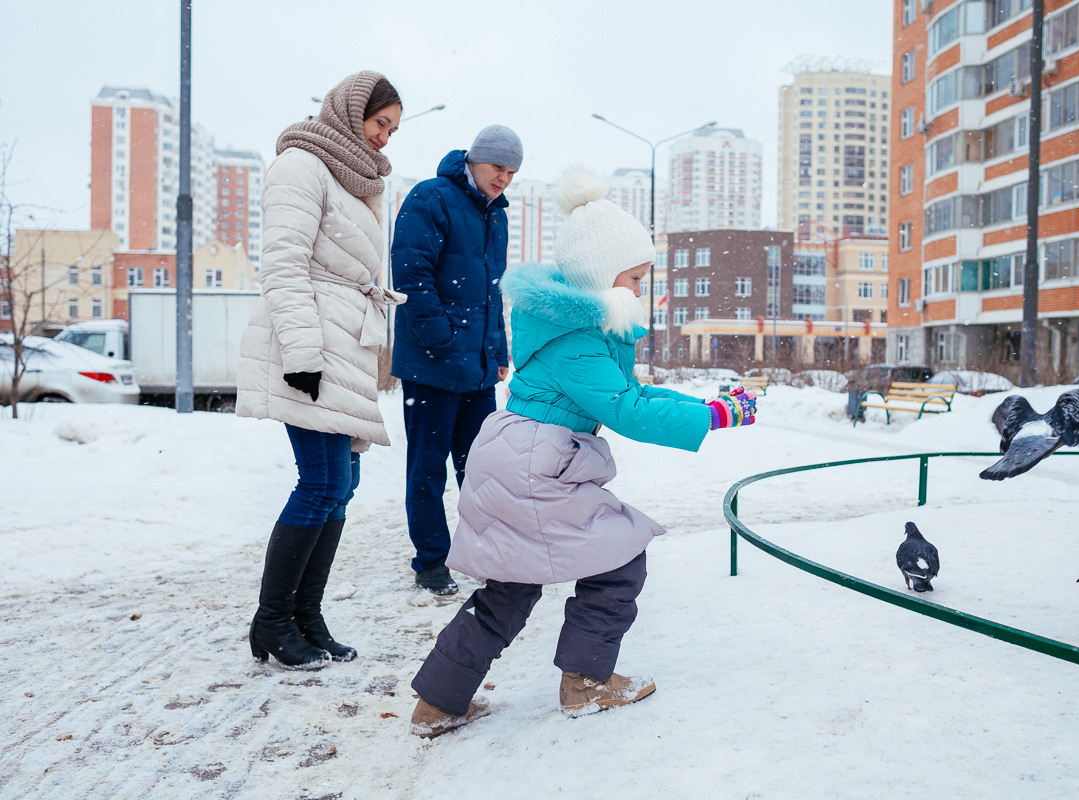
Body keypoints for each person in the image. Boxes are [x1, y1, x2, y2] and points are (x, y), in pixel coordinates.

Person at [408, 166, 757, 737]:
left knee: (511, 586)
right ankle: (586, 683)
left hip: (520, 455)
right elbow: (628, 411)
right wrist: (715, 418)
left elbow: (632, 392)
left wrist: (708, 404)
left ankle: (439, 702)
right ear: (603, 275)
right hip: (534, 463)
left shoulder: (575, 326)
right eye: (635, 277)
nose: (642, 290)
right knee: (618, 557)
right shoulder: (576, 339)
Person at [236, 70, 406, 670]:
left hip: (345, 347)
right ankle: (272, 623)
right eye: (379, 123)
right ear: (350, 111)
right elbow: (283, 266)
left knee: (341, 485)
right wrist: (303, 355)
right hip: (308, 346)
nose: (385, 138)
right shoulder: (302, 165)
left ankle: (305, 617)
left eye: (391, 128)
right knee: (321, 484)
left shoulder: (357, 180)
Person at [390, 124, 523, 596]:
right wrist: (443, 342)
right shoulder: (432, 198)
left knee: (481, 468)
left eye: (512, 171)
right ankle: (430, 561)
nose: (504, 178)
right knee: (428, 467)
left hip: (478, 368)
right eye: (497, 168)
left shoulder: (497, 216)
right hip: (432, 364)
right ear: (474, 160)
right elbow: (411, 276)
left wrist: (498, 350)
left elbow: (492, 293)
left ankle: (483, 552)